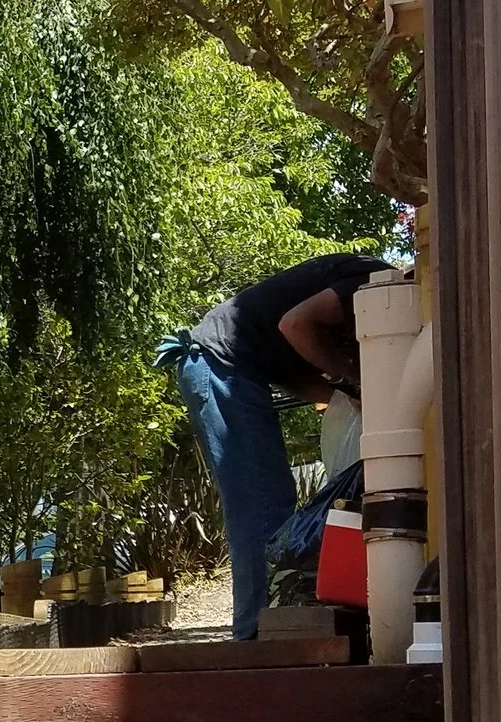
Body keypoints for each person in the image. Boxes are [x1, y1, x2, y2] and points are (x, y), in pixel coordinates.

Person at [157, 253, 396, 639]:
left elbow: (287, 361)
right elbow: (295, 325)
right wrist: (353, 384)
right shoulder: (373, 280)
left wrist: (342, 398)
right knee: (262, 505)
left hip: (234, 368)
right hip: (218, 365)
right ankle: (257, 635)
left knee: (272, 501)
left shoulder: (357, 300)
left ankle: (266, 626)